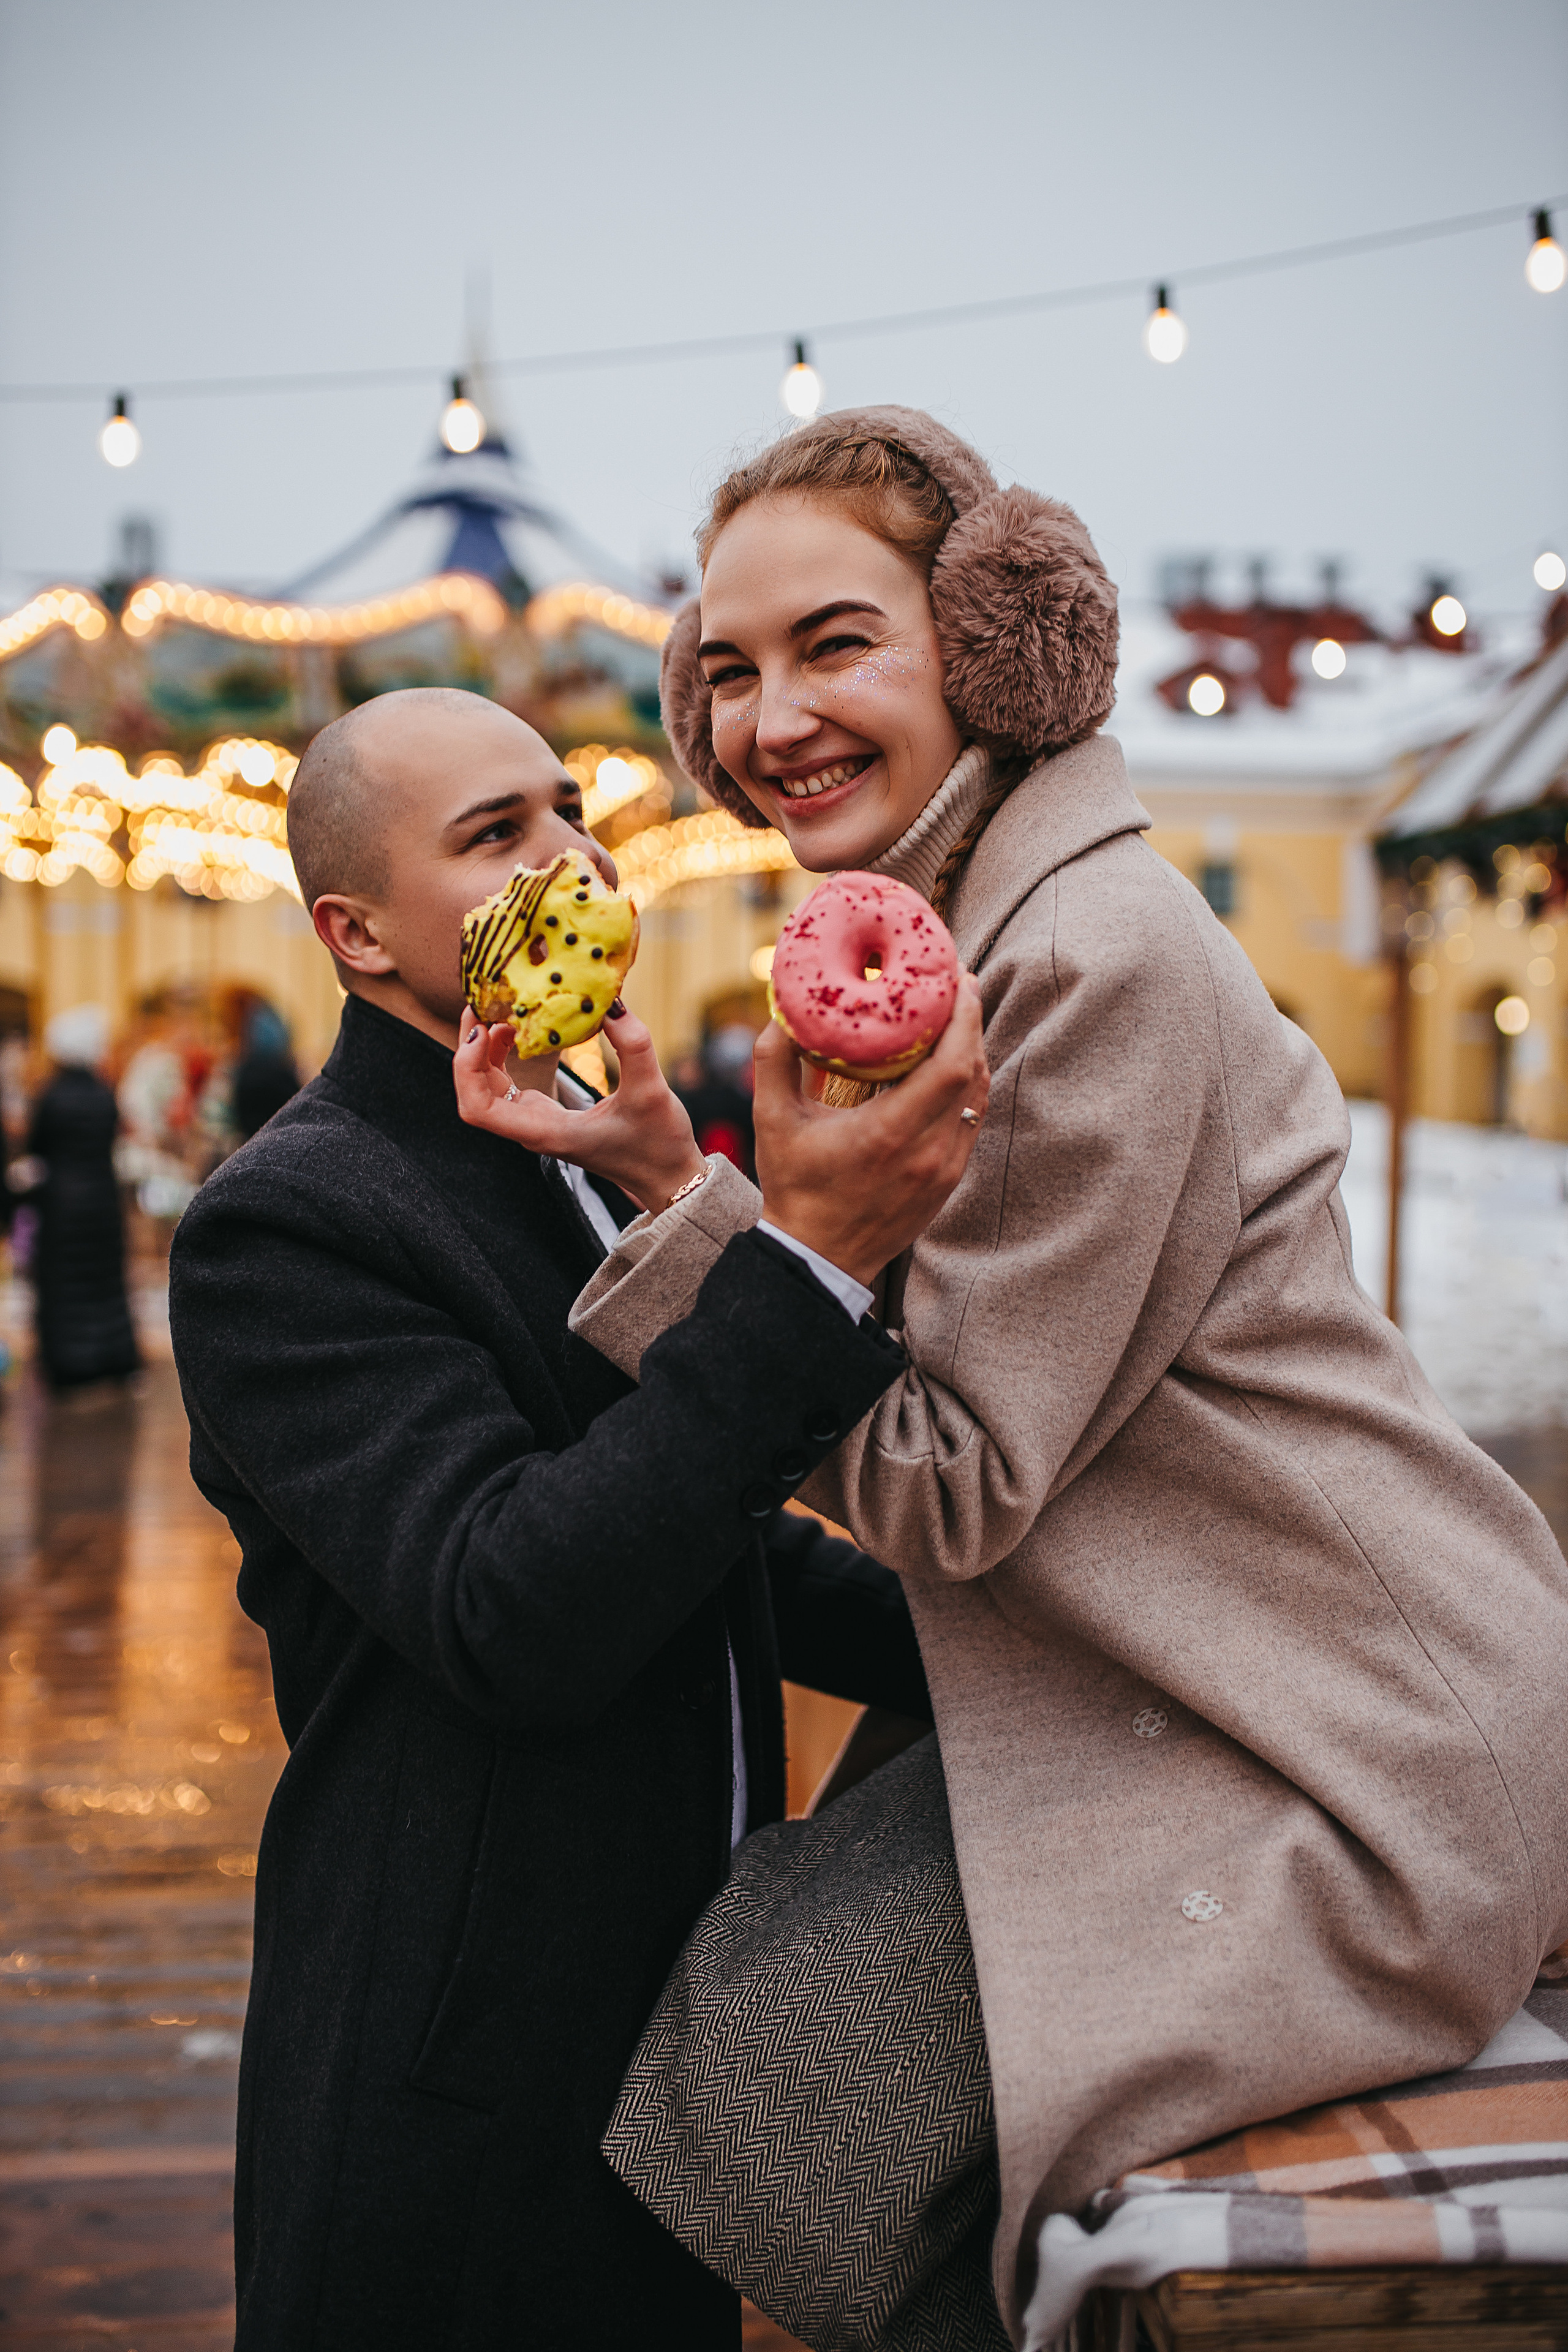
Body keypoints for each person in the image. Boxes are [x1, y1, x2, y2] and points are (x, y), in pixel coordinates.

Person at [478, 410, 1568, 2346]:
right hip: (1213, 1678)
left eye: (833, 644)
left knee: (787, 2073)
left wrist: (694, 1213)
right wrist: (670, 1163)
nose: (765, 719)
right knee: (754, 2020)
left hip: (1352, 1739)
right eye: (723, 671)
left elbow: (956, 1479)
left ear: (993, 646)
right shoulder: (970, 926)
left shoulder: (1087, 954)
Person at [166, 684, 989, 2352]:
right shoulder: (291, 1222)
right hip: (459, 2058)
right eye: (493, 838)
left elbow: (715, 1540)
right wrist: (797, 1260)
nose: (569, 863)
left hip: (657, 2017)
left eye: (564, 811)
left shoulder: (568, 1136)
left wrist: (1016, 1637)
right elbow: (514, 1606)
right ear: (363, 936)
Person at [27, 1004, 140, 1392]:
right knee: (106, 1281)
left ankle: (69, 1365)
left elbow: (36, 1145)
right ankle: (113, 1359)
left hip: (61, 1203)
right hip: (102, 1201)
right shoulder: (102, 1094)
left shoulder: (51, 1096)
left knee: (65, 1284)